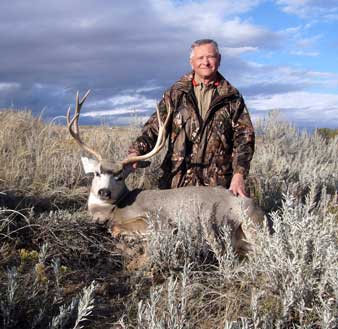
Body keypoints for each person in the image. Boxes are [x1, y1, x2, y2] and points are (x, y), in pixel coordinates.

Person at [128, 39, 255, 197]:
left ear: (219, 59)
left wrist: (239, 175)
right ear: (191, 62)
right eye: (200, 58)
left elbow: (244, 139)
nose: (205, 62)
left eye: (210, 57)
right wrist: (135, 152)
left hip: (217, 187)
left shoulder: (232, 97)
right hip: (177, 184)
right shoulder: (175, 94)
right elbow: (154, 129)